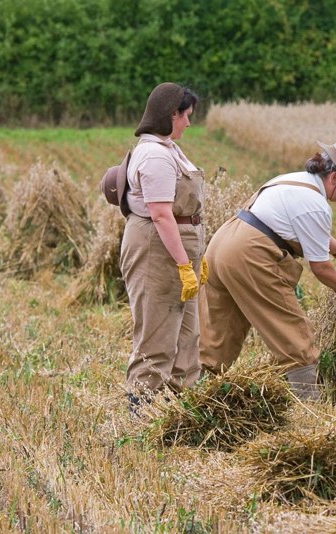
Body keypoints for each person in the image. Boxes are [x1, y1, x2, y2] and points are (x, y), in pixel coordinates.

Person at [198, 138, 336, 400]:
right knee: (293, 334)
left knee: (219, 333)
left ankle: (197, 397)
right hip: (250, 254)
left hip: (222, 245)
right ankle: (309, 405)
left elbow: (307, 229)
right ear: (335, 177)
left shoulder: (292, 181)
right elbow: (321, 268)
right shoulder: (316, 204)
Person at [120, 82, 206, 409]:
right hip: (157, 248)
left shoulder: (169, 147)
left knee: (186, 334)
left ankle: (179, 410)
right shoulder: (154, 154)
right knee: (157, 332)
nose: (188, 123)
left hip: (177, 246)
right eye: (186, 116)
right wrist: (184, 263)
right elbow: (160, 214)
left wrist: (199, 255)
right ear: (172, 114)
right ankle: (143, 410)